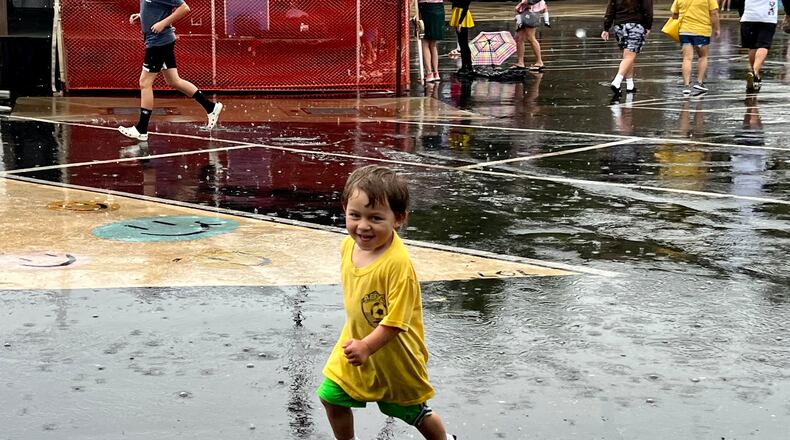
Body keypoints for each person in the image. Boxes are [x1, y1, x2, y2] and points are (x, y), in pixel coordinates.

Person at [317, 165, 456, 440]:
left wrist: (367, 346)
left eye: (375, 218)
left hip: (394, 357)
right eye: (355, 215)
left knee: (413, 412)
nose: (363, 226)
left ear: (398, 218)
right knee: (331, 396)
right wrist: (361, 344)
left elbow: (396, 321)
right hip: (356, 345)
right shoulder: (349, 246)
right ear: (344, 209)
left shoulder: (397, 264)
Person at [119, 0, 223, 141]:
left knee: (145, 82)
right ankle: (211, 107)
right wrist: (141, 15)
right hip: (158, 41)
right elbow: (155, 8)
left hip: (159, 43)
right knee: (173, 81)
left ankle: (141, 129)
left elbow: (184, 8)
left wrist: (162, 23)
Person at [601, 0, 654, 100]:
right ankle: (617, 80)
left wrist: (606, 27)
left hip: (619, 26)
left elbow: (610, 9)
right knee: (630, 56)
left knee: (628, 57)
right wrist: (648, 26)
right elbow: (647, 10)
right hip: (636, 25)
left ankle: (630, 84)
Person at [671, 0, 721, 96]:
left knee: (687, 58)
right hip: (702, 31)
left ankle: (686, 85)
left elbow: (674, 14)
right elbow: (714, 13)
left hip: (684, 30)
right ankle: (699, 82)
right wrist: (717, 29)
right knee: (703, 56)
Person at [739, 0, 779, 92]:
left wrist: (742, 13)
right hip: (768, 18)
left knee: (752, 47)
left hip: (749, 17)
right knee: (764, 45)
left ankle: (754, 75)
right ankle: (755, 72)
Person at [512, 0, 550, 71]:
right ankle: (520, 62)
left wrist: (529, 1)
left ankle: (539, 62)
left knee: (530, 37)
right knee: (519, 38)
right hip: (523, 12)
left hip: (531, 12)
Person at [419, 0, 445, 83]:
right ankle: (436, 72)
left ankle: (429, 73)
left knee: (425, 42)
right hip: (439, 7)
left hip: (426, 7)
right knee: (433, 44)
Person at [449, 0, 475, 77]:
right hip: (457, 13)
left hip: (462, 16)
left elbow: (465, 7)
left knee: (464, 43)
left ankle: (467, 66)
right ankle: (466, 66)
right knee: (461, 43)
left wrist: (460, 22)